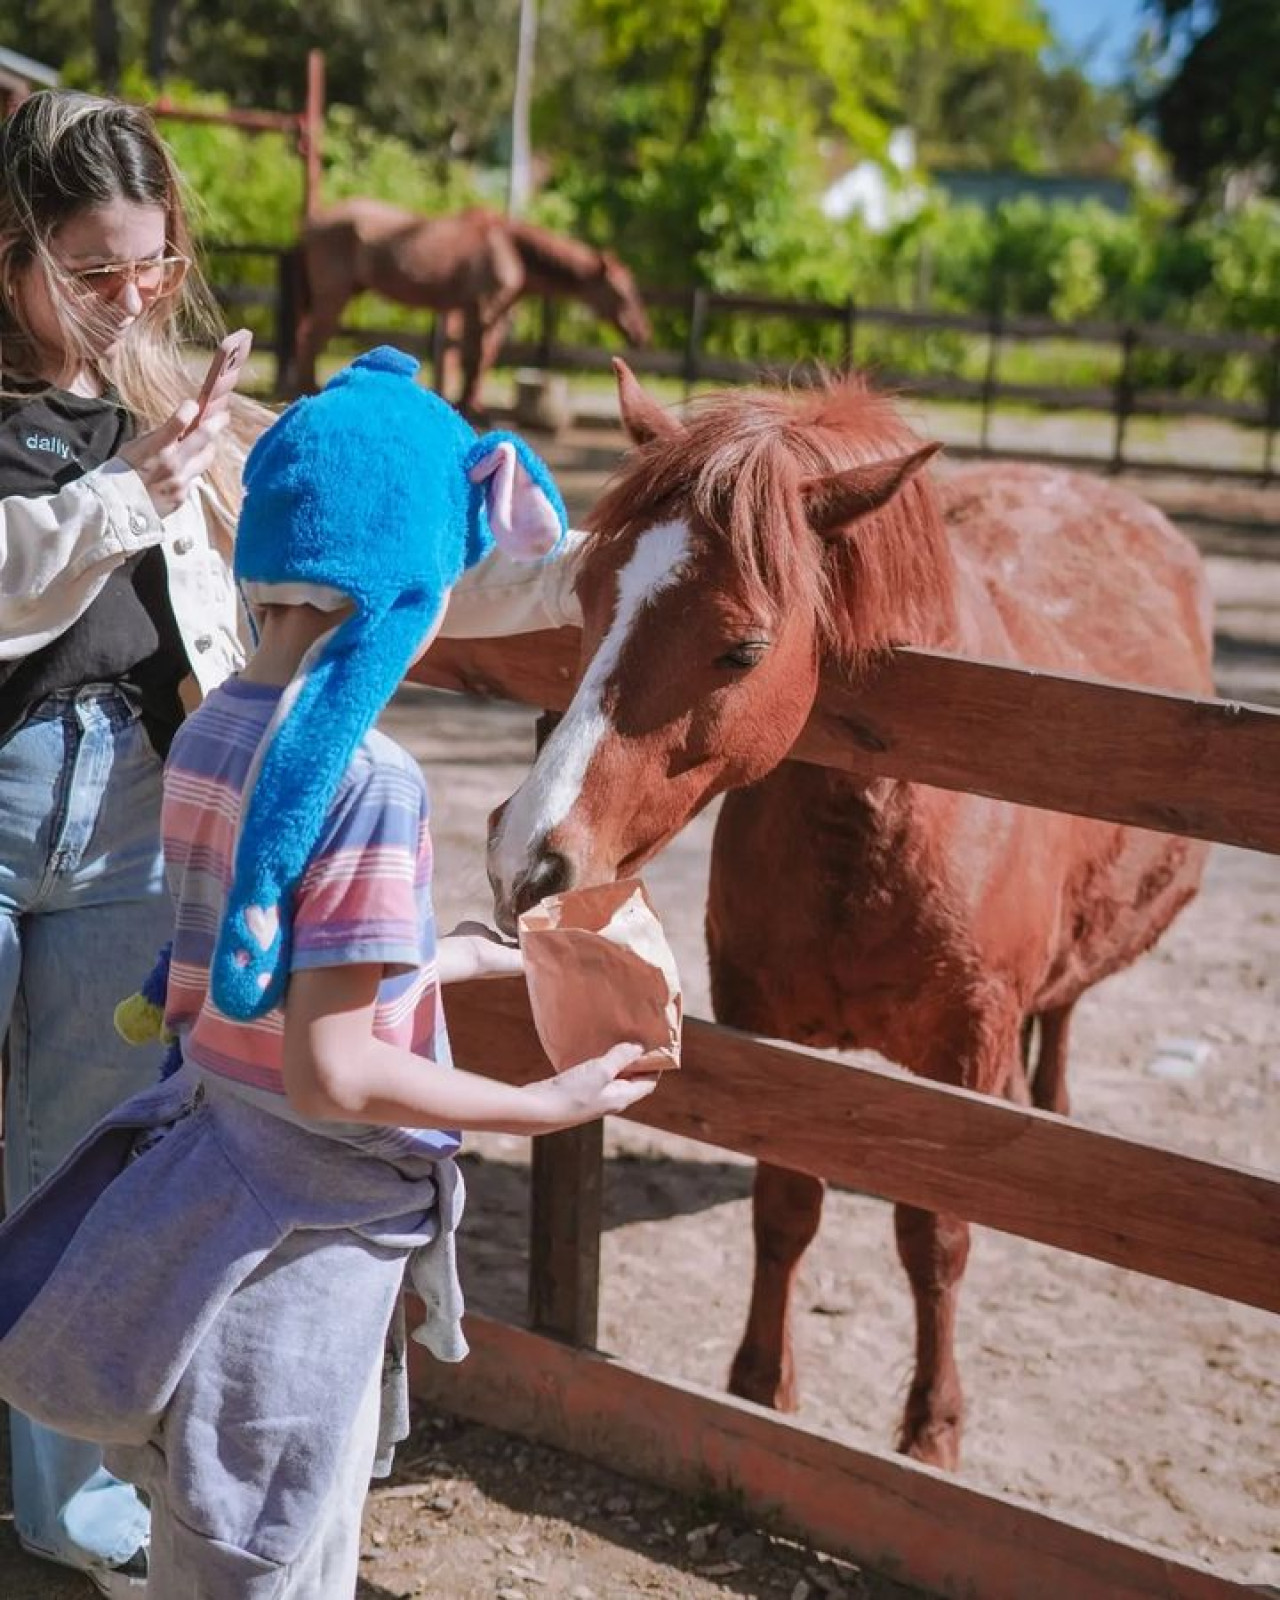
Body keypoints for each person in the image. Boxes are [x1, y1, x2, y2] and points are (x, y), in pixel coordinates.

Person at [0, 90, 587, 1595]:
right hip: (6, 789)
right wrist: (134, 490)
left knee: (86, 1163)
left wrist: (610, 571)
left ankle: (67, 1498)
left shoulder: (165, 388)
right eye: (95, 268)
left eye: (155, 261)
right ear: (14, 252)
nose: (138, 298)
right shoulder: (130, 443)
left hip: (144, 788)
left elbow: (357, 526)